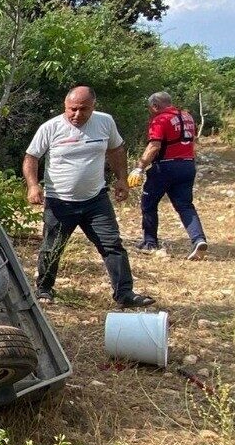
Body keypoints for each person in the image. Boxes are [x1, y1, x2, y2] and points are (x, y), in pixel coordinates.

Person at [22, 86, 155, 308]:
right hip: (59, 201)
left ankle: (124, 293)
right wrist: (33, 186)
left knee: (112, 244)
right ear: (65, 106)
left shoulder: (105, 122)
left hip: (95, 200)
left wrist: (122, 179)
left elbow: (116, 150)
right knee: (52, 247)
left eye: (83, 109)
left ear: (93, 107)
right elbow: (31, 157)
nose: (76, 114)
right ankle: (44, 288)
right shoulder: (51, 127)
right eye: (71, 109)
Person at [130, 91, 208, 260]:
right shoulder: (187, 116)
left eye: (151, 108)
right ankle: (198, 239)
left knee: (148, 203)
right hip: (187, 164)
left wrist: (140, 167)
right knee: (185, 205)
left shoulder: (160, 119)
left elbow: (154, 146)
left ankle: (149, 242)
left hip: (165, 167)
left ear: (155, 106)